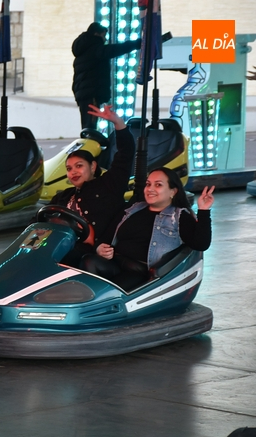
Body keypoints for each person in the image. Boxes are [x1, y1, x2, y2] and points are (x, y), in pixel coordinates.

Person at [82, 167, 213, 291]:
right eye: (148, 184)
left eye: (158, 185)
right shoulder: (132, 209)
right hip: (114, 262)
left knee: (108, 292)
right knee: (88, 262)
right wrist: (100, 248)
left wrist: (204, 210)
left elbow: (201, 244)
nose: (150, 189)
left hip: (141, 272)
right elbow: (107, 236)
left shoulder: (178, 216)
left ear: (173, 191)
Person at [49, 103, 134, 266]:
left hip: (89, 251)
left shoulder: (109, 185)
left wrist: (118, 123)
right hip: (59, 246)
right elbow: (39, 221)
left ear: (93, 166)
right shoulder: (63, 196)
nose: (73, 172)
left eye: (79, 166)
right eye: (69, 169)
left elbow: (126, 154)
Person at [72, 23, 140, 130]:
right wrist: (138, 43)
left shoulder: (83, 51)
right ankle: (89, 145)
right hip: (92, 92)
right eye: (103, 36)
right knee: (90, 127)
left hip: (84, 93)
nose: (105, 40)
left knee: (87, 124)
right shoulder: (95, 49)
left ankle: (88, 143)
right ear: (96, 34)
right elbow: (117, 49)